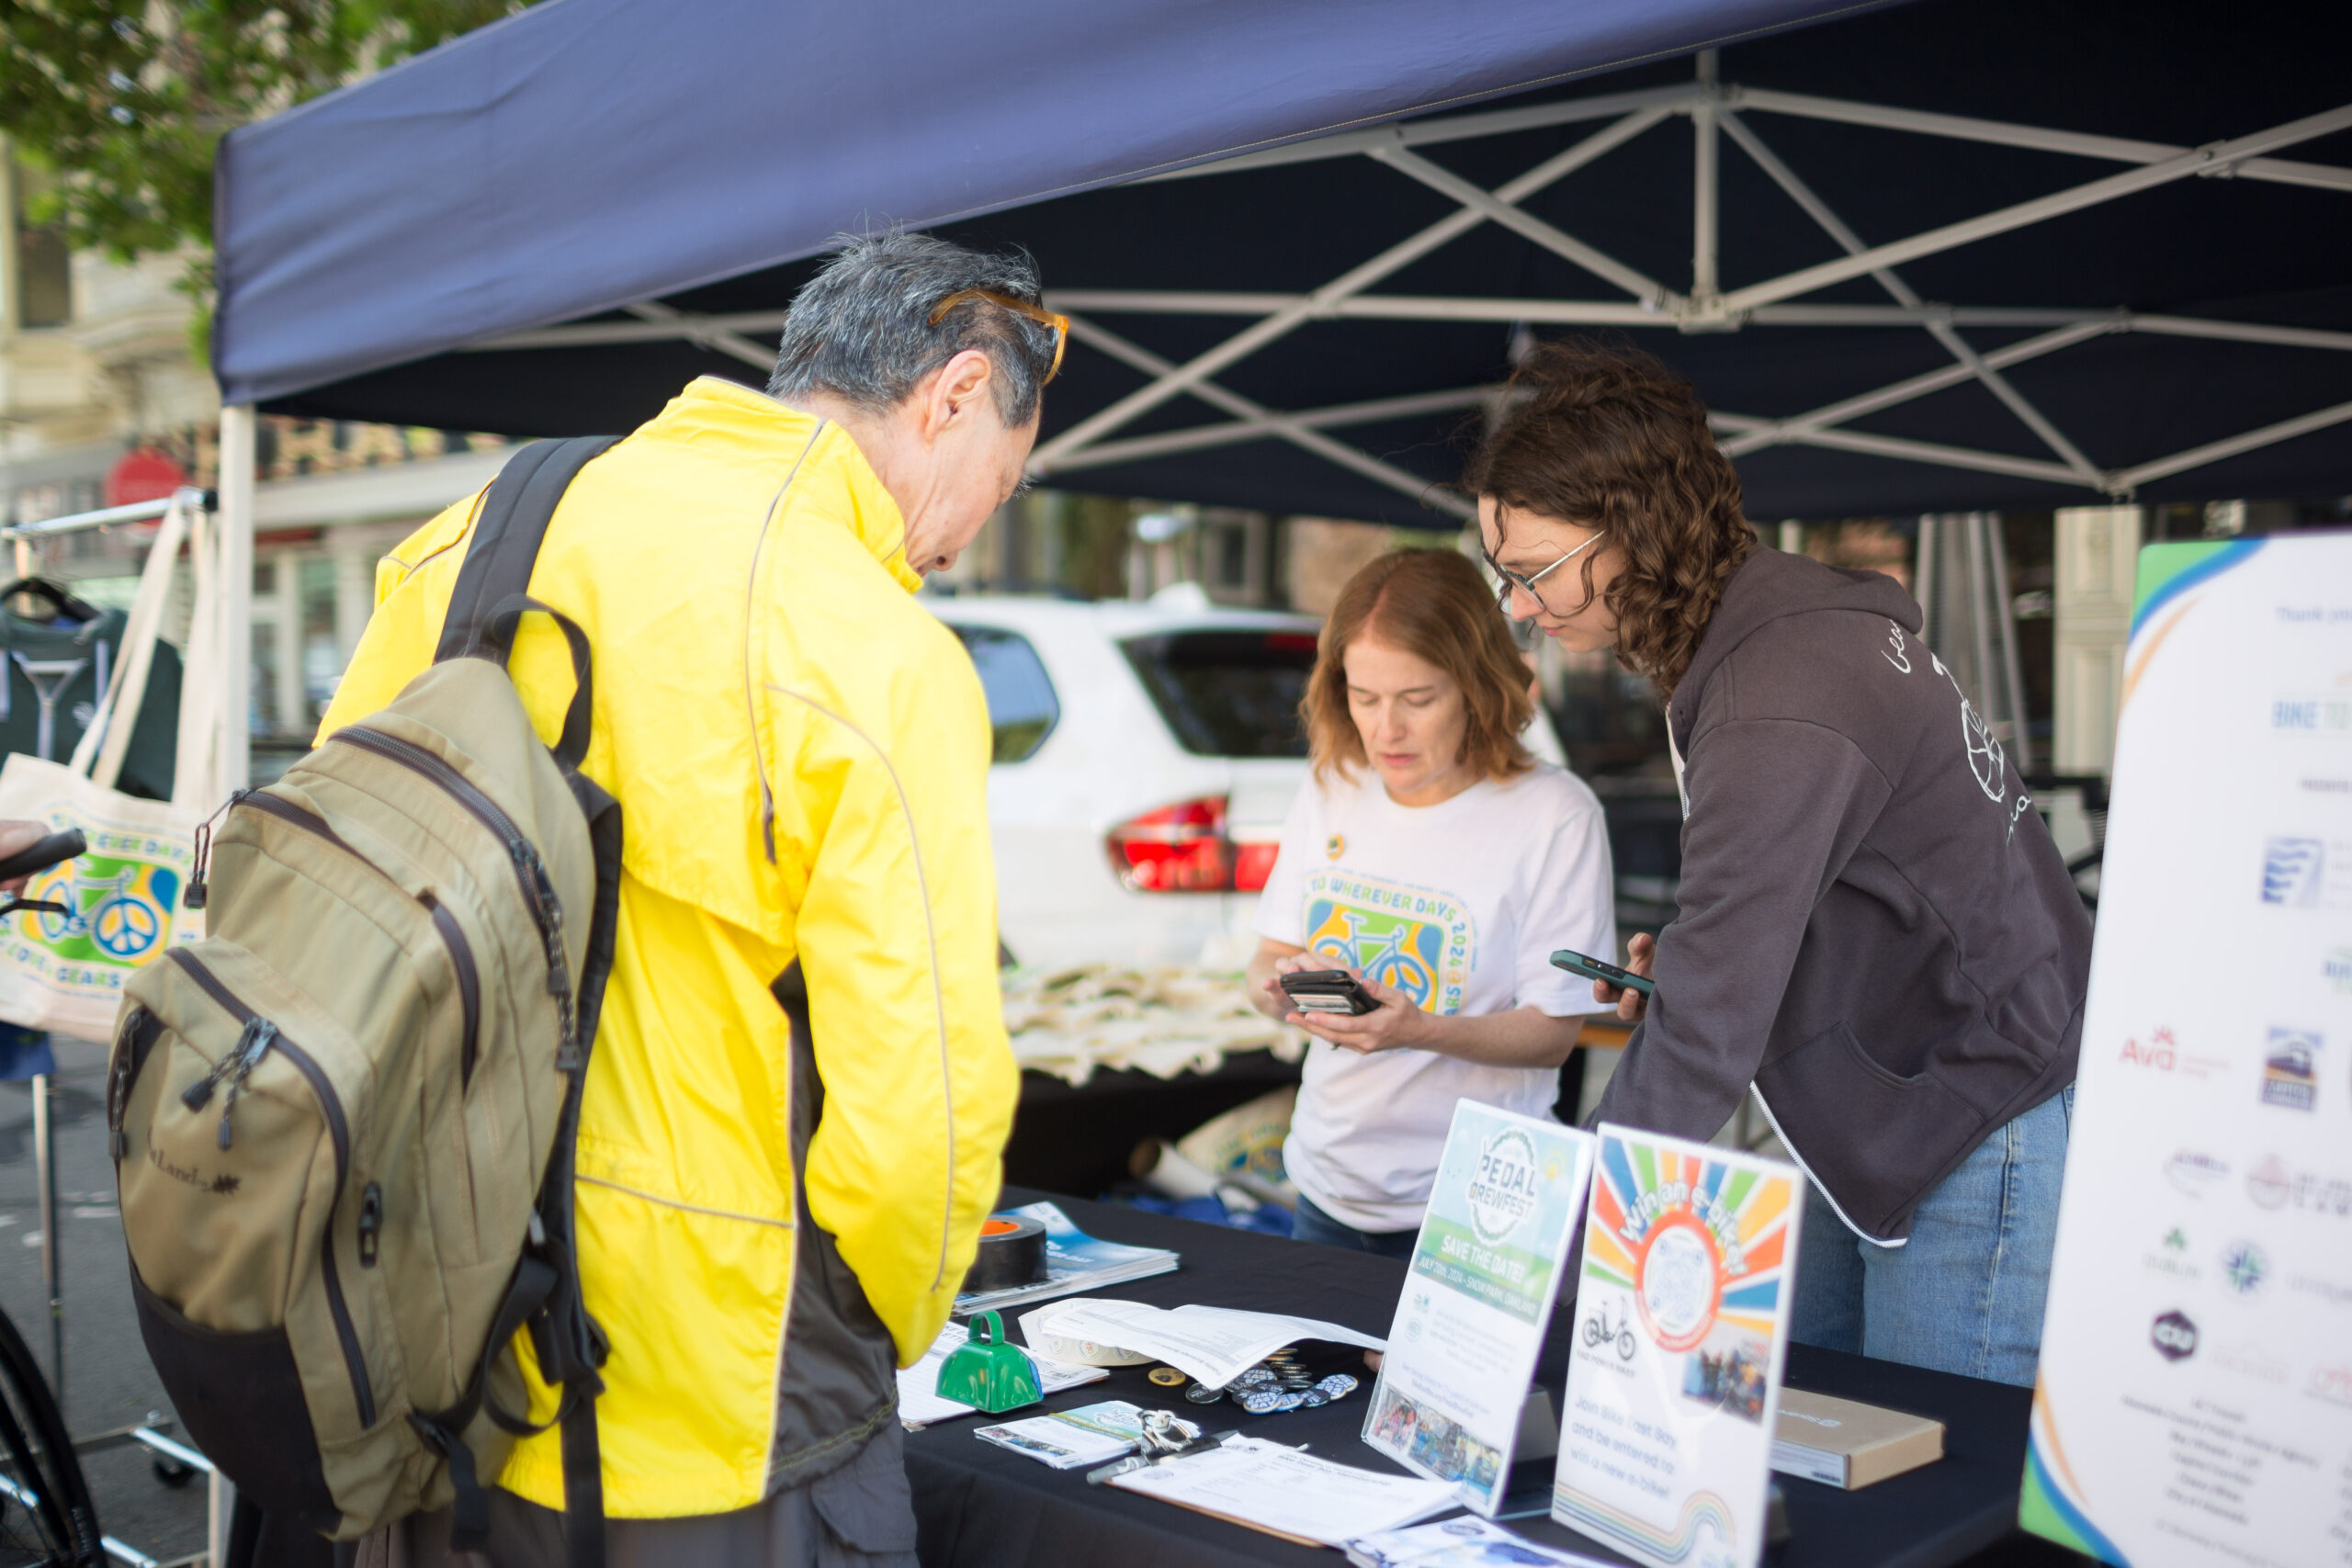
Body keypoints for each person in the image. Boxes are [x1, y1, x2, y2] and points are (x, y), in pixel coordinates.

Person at [322, 232, 1042, 1565]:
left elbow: (338, 909)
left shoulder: (462, 541)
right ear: (950, 396)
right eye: (1001, 480)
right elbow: (922, 1117)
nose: (961, 538)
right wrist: (873, 1320)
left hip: (427, 1344)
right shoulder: (873, 645)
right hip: (720, 1401)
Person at [1466, 339, 2089, 1388]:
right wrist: (1712, 951)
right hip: (1901, 1098)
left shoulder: (1779, 695)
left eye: (1531, 572)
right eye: (1505, 576)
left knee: (1931, 1492)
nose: (1521, 607)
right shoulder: (1771, 626)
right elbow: (1839, 879)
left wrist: (1550, 1264)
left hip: (1978, 1113)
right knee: (1824, 1440)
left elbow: (1708, 1023)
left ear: (1637, 531)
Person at [1245, 549, 1616, 1258]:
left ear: (1478, 686)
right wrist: (1282, 989)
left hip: (1477, 1207)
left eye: (1418, 699)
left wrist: (1418, 1028)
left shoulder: (1555, 815)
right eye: (1364, 697)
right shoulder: (1333, 783)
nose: (1386, 730)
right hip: (1325, 1189)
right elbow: (1265, 960)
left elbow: (1553, 1033)